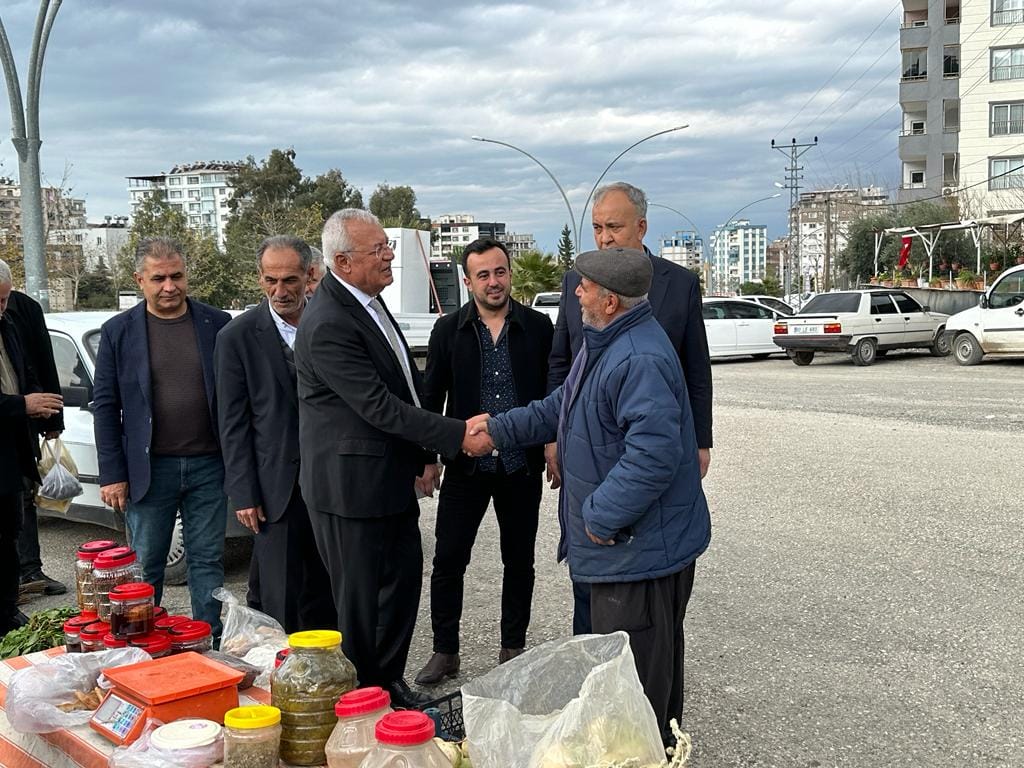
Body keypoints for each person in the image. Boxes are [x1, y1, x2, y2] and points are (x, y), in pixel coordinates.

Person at [469, 248, 711, 740]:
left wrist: (599, 516)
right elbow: (562, 405)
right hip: (628, 553)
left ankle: (646, 753)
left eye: (585, 287)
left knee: (636, 688)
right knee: (631, 681)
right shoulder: (607, 342)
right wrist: (498, 428)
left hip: (636, 556)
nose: (576, 293)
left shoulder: (638, 356)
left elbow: (654, 456)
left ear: (610, 301)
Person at [294, 208, 490, 708]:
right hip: (350, 489)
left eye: (388, 245)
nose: (389, 256)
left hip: (389, 480)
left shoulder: (369, 303)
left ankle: (388, 682)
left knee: (401, 587)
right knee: (361, 605)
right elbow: (378, 406)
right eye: (378, 249)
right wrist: (456, 436)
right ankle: (364, 703)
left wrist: (427, 452)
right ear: (342, 261)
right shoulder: (329, 321)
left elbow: (406, 384)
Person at [547, 181, 713, 635]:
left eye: (614, 227)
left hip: (646, 445)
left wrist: (700, 441)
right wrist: (553, 436)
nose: (604, 238)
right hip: (591, 450)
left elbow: (696, 369)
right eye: (598, 228)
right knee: (594, 587)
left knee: (638, 604)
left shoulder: (676, 285)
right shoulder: (577, 283)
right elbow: (563, 363)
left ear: (641, 226)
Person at [415, 238, 553, 685]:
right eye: (483, 275)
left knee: (520, 561)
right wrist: (429, 458)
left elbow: (554, 397)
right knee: (449, 559)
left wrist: (553, 443)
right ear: (469, 280)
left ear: (509, 273)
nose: (494, 282)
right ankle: (445, 650)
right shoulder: (448, 331)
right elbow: (430, 399)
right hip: (466, 467)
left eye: (500, 272)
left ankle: (513, 648)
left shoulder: (538, 327)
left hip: (520, 466)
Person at [92, 237, 231, 637]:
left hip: (209, 465)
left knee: (207, 561)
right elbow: (105, 406)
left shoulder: (216, 324)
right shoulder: (119, 332)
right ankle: (141, 645)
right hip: (150, 469)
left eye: (177, 276)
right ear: (140, 280)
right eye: (159, 278)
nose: (169, 286)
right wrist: (112, 474)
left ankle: (208, 640)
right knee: (146, 564)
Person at [215, 235, 336, 633]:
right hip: (274, 490)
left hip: (331, 482)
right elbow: (232, 423)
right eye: (271, 281)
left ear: (309, 275)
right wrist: (244, 492)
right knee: (279, 595)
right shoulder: (237, 337)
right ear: (260, 278)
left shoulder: (332, 325)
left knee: (331, 588)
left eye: (289, 281)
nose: (280, 291)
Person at [0, 260, 63, 634]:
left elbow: (33, 369)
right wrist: (21, 405)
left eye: (5, 300)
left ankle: (7, 611)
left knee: (9, 533)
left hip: (11, 450)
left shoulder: (12, 320)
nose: (2, 309)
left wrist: (47, 420)